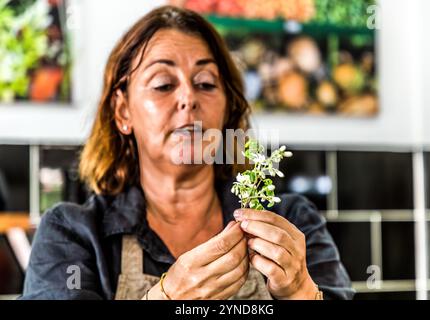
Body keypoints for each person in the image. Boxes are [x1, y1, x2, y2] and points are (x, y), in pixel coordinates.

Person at [20, 5, 354, 300]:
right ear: (123, 111)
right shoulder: (72, 233)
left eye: (206, 83)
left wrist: (302, 292)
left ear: (227, 109)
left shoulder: (292, 221)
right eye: (164, 84)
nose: (188, 98)